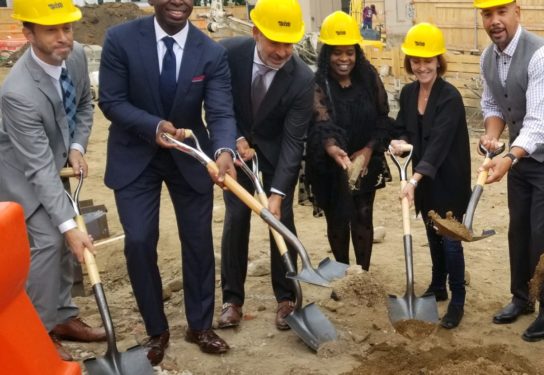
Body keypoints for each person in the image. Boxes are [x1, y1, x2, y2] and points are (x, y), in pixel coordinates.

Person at [99, 0, 237, 365]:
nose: (179, 1)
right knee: (140, 240)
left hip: (189, 157)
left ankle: (199, 325)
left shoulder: (210, 52)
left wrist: (223, 149)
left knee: (198, 240)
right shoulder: (120, 39)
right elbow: (112, 100)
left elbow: (221, 110)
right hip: (135, 152)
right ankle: (156, 329)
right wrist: (154, 126)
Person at [0, 0, 105, 361]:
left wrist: (76, 146)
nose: (63, 38)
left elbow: (86, 108)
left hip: (55, 156)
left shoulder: (73, 57)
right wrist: (68, 228)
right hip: (19, 167)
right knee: (49, 239)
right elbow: (38, 169)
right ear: (27, 33)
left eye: (67, 28)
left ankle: (62, 316)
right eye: (51, 30)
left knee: (64, 239)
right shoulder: (17, 92)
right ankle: (39, 330)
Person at [475, 0, 544, 342]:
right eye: (488, 14)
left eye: (502, 12)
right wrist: (491, 136)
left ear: (518, 12)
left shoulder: (543, 56)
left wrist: (509, 158)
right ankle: (522, 297)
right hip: (518, 155)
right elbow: (492, 104)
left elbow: (539, 122)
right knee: (519, 231)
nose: (495, 21)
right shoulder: (488, 57)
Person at [216, 0, 314, 332]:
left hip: (275, 156)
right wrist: (234, 139)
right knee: (237, 216)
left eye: (289, 43)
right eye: (275, 41)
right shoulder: (229, 55)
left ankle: (286, 297)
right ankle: (232, 299)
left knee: (281, 219)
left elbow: (292, 142)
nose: (283, 51)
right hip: (237, 153)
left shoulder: (301, 78)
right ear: (256, 32)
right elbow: (218, 105)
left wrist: (277, 193)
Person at [389, 23, 471, 329]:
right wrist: (395, 141)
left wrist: (413, 180)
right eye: (415, 59)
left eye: (427, 60)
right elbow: (401, 127)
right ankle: (438, 285)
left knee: (449, 239)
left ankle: (458, 299)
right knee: (430, 232)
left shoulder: (450, 97)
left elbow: (438, 144)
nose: (421, 66)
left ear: (438, 60)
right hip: (423, 179)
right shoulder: (409, 93)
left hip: (448, 178)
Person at [306, 11, 391, 272]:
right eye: (337, 52)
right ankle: (344, 274)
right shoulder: (319, 83)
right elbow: (321, 123)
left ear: (357, 52)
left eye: (349, 52)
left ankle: (361, 274)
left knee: (363, 216)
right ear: (326, 53)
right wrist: (333, 148)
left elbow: (383, 117)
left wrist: (367, 151)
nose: (344, 59)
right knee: (337, 219)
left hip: (365, 159)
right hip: (331, 163)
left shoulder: (369, 78)